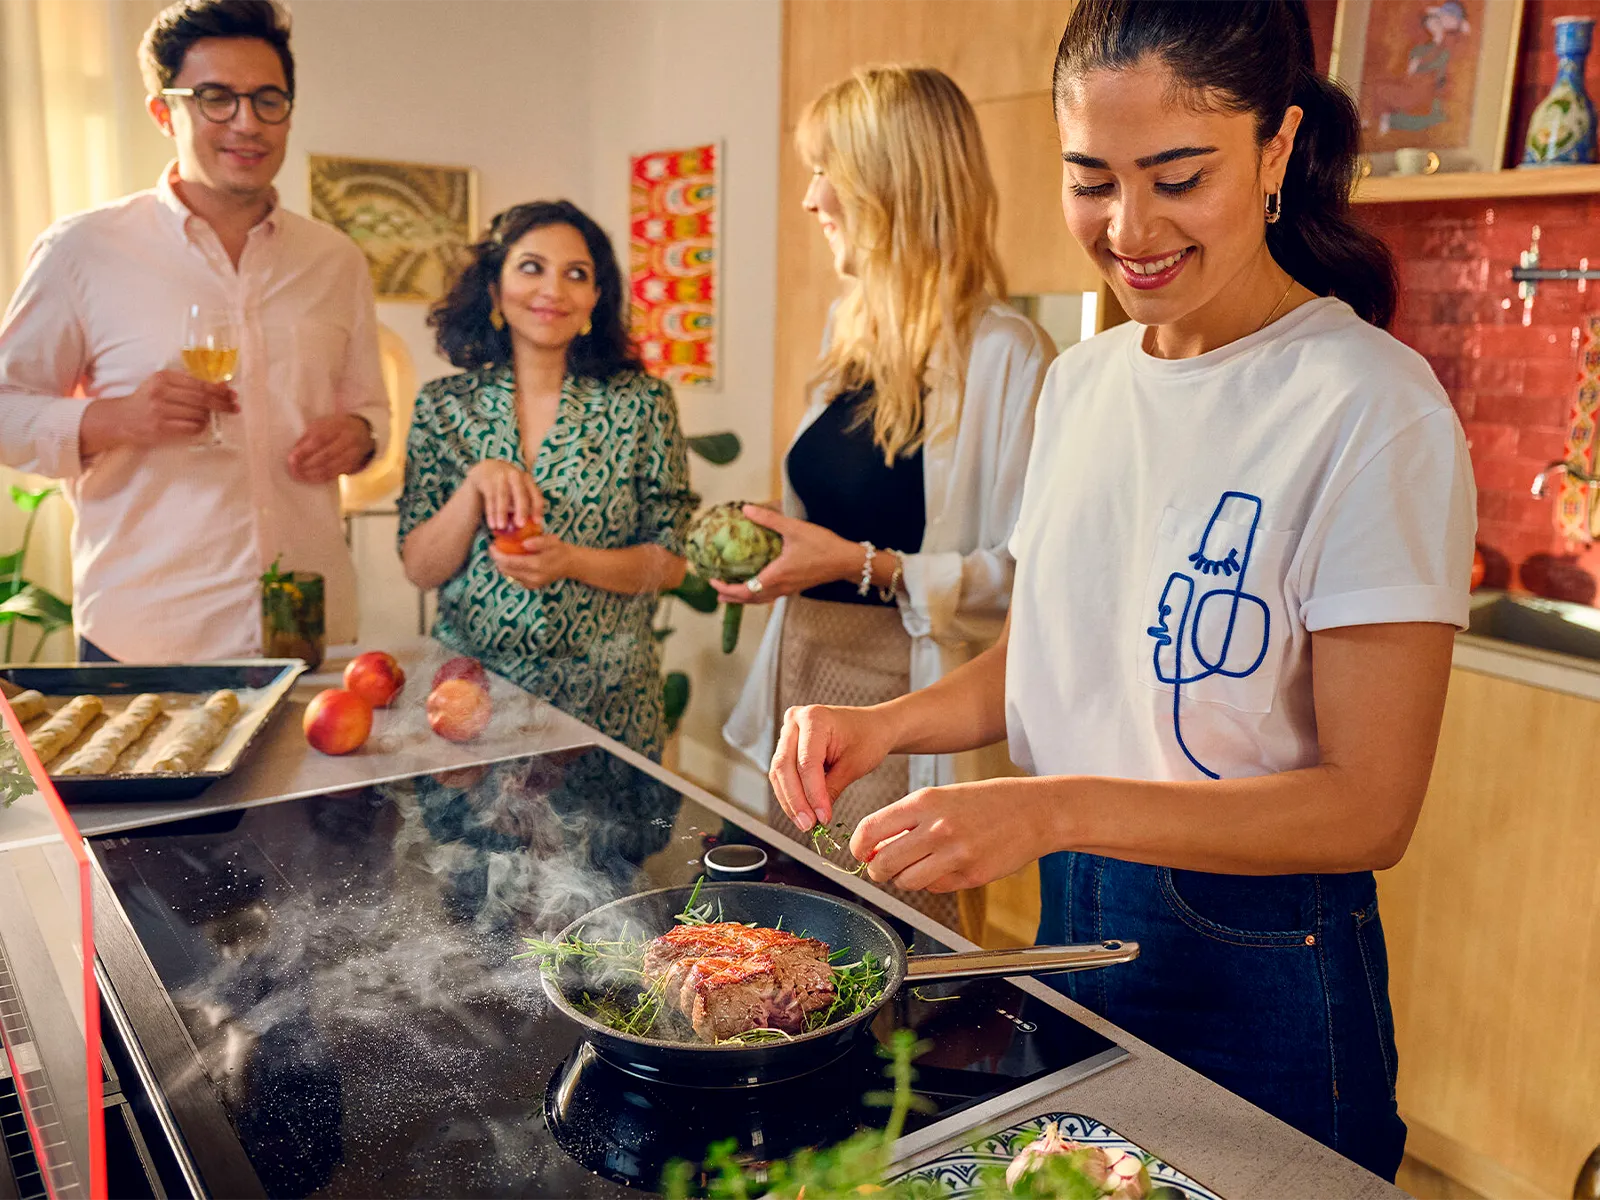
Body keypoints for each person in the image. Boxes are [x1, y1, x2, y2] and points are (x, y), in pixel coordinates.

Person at [767, 0, 1475, 1182]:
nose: (1129, 227)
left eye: (1176, 177)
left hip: (1263, 952)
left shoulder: (1369, 405)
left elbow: (1368, 807)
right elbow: (1061, 650)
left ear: (1275, 149)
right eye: (1090, 180)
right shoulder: (1085, 383)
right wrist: (885, 724)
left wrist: (1045, 810)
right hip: (1079, 904)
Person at [719, 65, 1054, 933]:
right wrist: (778, 557)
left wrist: (858, 564)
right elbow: (831, 511)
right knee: (783, 947)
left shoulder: (1008, 355)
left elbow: (1023, 582)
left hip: (905, 705)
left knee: (895, 957)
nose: (810, 199)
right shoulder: (847, 332)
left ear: (891, 184)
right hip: (807, 677)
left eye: (826, 169)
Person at [0, 0, 385, 663]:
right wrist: (114, 418)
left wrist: (359, 436)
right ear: (163, 112)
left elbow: (370, 409)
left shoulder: (335, 260)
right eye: (216, 99)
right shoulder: (82, 249)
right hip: (147, 640)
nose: (247, 123)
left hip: (306, 635)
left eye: (269, 100)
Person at [399, 200, 695, 761]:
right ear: (494, 289)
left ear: (595, 298)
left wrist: (570, 561)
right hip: (472, 703)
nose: (552, 289)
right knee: (468, 849)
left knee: (607, 850)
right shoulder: (443, 408)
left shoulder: (643, 404)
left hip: (607, 708)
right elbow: (420, 567)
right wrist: (475, 485)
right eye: (531, 267)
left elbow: (670, 564)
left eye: (576, 274)